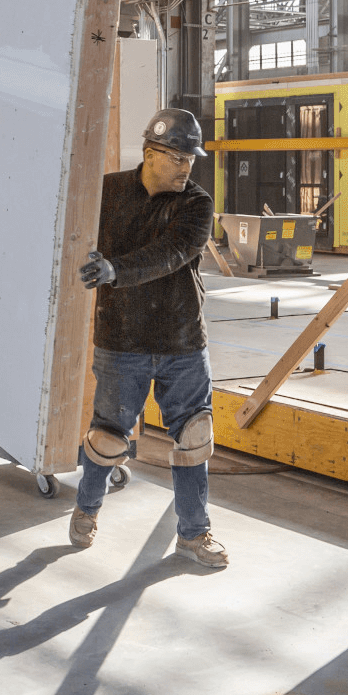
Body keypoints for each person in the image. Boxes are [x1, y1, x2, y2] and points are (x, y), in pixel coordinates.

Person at [69, 108, 227, 569]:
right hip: (122, 339)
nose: (185, 167)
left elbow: (173, 253)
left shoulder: (196, 204)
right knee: (108, 436)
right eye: (177, 157)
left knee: (195, 435)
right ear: (150, 153)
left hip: (182, 340)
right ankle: (86, 508)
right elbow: (74, 236)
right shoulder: (108, 193)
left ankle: (194, 535)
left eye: (190, 159)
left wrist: (116, 269)